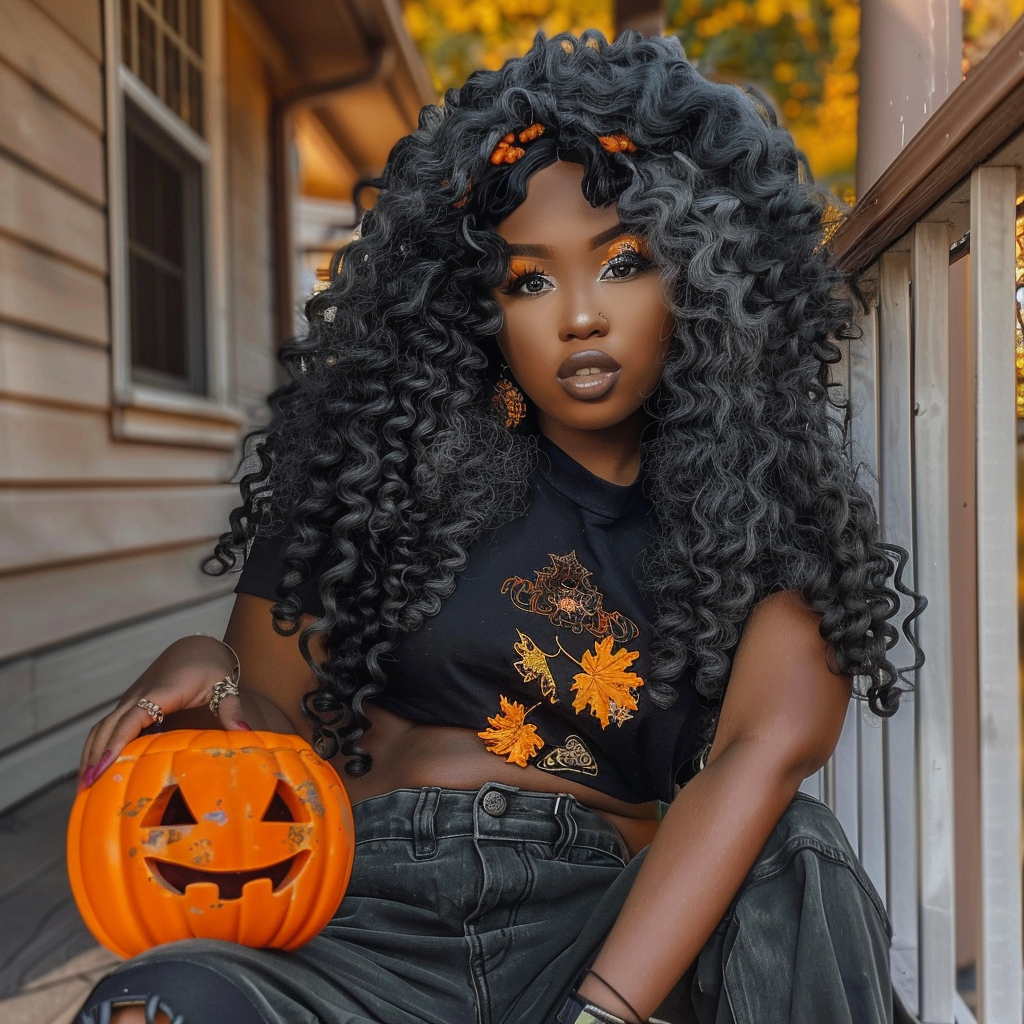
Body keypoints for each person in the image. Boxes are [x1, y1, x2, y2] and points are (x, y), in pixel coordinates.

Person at [75, 30, 921, 1024]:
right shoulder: (376, 470)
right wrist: (199, 665)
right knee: (157, 1008)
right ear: (477, 302)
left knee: (797, 854)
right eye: (529, 278)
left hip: (603, 927)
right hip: (361, 920)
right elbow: (265, 730)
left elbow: (758, 759)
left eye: (620, 265)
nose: (577, 317)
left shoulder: (770, 521)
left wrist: (599, 1012)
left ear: (703, 276)